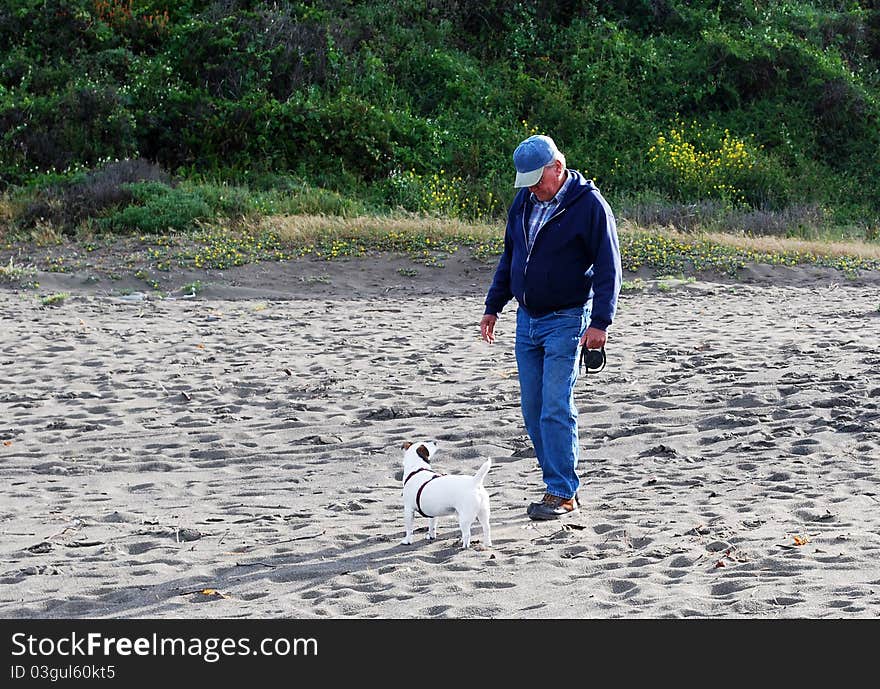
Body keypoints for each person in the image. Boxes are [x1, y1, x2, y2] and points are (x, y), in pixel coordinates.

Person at [480, 134, 622, 520]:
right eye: (525, 183)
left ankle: (562, 491)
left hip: (567, 319)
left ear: (556, 169)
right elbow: (511, 256)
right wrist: (494, 306)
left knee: (556, 406)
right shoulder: (524, 202)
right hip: (527, 321)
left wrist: (601, 322)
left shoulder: (589, 205)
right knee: (533, 408)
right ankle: (554, 482)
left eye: (536, 181)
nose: (532, 190)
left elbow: (610, 268)